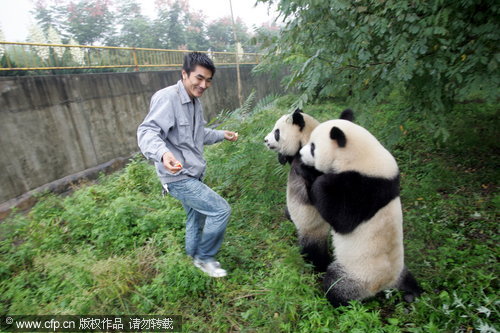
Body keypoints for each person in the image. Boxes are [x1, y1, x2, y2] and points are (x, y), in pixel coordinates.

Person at [137, 52, 238, 278]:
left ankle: (192, 256)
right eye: (199, 78)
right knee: (220, 210)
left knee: (196, 216)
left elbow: (198, 133)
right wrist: (163, 154)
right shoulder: (167, 98)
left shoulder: (194, 102)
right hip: (177, 176)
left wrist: (223, 134)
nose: (203, 85)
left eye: (208, 80)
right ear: (184, 74)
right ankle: (205, 257)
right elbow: (147, 132)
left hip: (193, 173)